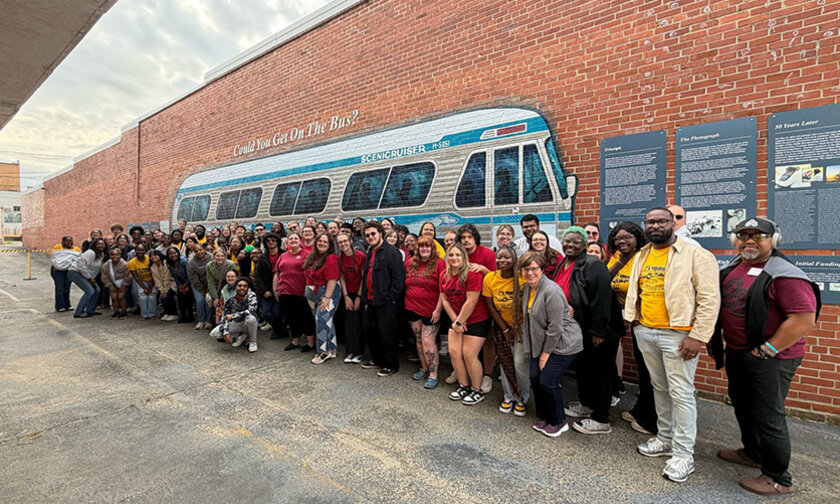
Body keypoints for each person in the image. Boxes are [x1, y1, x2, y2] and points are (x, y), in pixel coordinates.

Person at [710, 217, 820, 496]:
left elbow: (803, 319)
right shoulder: (734, 267)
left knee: (769, 416)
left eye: (758, 236)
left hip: (770, 357)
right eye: (744, 235)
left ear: (775, 240)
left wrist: (767, 349)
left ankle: (778, 478)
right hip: (738, 352)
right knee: (743, 406)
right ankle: (753, 452)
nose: (750, 241)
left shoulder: (785, 274)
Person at [624, 207, 720, 483]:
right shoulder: (643, 254)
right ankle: (664, 438)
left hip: (678, 335)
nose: (655, 226)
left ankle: (683, 454)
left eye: (662, 221)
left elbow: (709, 300)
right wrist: (635, 320)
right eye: (650, 222)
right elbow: (638, 291)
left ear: (674, 224)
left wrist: (699, 336)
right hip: (647, 331)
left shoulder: (695, 254)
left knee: (681, 392)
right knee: (659, 388)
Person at [552, 227, 624, 436]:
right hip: (579, 328)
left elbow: (601, 301)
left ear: (584, 244)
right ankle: (585, 404)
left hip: (600, 330)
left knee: (600, 372)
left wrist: (599, 331)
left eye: (576, 242)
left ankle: (601, 418)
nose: (570, 245)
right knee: (584, 369)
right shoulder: (564, 263)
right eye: (567, 241)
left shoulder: (594, 265)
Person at [520, 250, 583, 438]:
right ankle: (544, 415)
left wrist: (545, 355)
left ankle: (558, 421)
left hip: (563, 343)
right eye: (526, 269)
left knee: (547, 381)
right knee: (534, 377)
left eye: (534, 269)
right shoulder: (527, 288)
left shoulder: (552, 290)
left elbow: (555, 328)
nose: (530, 273)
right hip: (540, 342)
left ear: (542, 270)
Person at [607, 222, 656, 436]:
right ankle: (641, 409)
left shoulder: (645, 257)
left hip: (646, 320)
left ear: (638, 238)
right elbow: (607, 278)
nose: (622, 241)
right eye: (618, 238)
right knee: (642, 368)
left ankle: (652, 419)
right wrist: (620, 261)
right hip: (632, 320)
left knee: (651, 371)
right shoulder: (617, 257)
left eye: (627, 237)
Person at [441, 242, 491, 404]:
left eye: (458, 255)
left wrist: (460, 321)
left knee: (469, 354)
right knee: (454, 352)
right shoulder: (444, 274)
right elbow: (444, 300)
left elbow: (472, 300)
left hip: (476, 318)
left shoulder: (472, 274)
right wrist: (456, 322)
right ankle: (464, 385)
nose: (454, 258)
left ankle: (477, 389)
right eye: (451, 255)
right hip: (457, 319)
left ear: (464, 257)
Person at [483, 245, 529, 416]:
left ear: (515, 259)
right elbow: (491, 307)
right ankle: (508, 396)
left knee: (519, 363)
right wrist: (505, 329)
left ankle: (522, 398)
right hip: (503, 326)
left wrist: (516, 329)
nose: (502, 261)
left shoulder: (523, 278)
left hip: (522, 327)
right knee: (505, 361)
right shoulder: (490, 279)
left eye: (507, 258)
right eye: (499, 257)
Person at [360, 221, 405, 377]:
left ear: (380, 233)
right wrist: (365, 299)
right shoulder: (370, 252)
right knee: (371, 332)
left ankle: (391, 365)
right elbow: (367, 276)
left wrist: (391, 299)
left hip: (386, 303)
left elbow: (399, 279)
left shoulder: (392, 252)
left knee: (388, 334)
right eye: (367, 235)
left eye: (373, 233)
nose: (370, 237)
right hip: (371, 301)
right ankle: (377, 360)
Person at [457, 223, 497, 393]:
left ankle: (487, 375)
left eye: (469, 237)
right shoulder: (458, 255)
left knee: (488, 341)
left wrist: (484, 270)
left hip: (485, 306)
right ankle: (461, 371)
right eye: (463, 238)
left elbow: (498, 278)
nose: (466, 241)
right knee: (462, 342)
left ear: (475, 238)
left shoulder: (487, 254)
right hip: (462, 306)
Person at [404, 236, 446, 388]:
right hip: (412, 308)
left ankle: (433, 375)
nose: (424, 249)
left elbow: (443, 289)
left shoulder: (440, 264)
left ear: (432, 248)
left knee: (428, 341)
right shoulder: (410, 263)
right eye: (421, 247)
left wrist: (438, 310)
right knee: (419, 339)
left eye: (428, 246)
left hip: (431, 310)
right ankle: (424, 368)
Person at [274, 232, 316, 352]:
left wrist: (307, 290)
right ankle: (295, 341)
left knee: (306, 318)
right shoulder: (283, 256)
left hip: (301, 293)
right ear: (287, 242)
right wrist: (276, 289)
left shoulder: (307, 255)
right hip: (285, 292)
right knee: (291, 318)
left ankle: (310, 343)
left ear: (300, 240)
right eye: (290, 238)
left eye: (295, 238)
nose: (293, 240)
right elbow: (277, 273)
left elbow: (311, 274)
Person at [304, 233, 341, 364]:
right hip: (315, 292)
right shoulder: (313, 256)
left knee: (321, 320)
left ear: (330, 245)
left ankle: (323, 352)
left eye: (326, 242)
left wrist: (327, 297)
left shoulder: (331, 258)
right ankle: (332, 348)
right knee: (326, 320)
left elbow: (332, 279)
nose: (322, 243)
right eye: (320, 241)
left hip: (329, 292)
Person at [337, 233, 366, 363]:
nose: (343, 244)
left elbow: (363, 277)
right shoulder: (339, 258)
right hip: (347, 293)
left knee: (358, 323)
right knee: (349, 323)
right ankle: (350, 351)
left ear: (350, 241)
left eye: (345, 241)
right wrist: (346, 296)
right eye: (340, 243)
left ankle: (359, 352)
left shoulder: (361, 256)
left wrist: (359, 296)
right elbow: (341, 277)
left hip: (359, 292)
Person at [211, 277, 259, 353]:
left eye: (245, 286)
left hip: (248, 323)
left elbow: (251, 310)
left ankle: (253, 342)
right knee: (214, 333)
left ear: (248, 288)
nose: (242, 288)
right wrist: (225, 332)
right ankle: (241, 335)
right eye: (239, 286)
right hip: (237, 324)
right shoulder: (231, 300)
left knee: (251, 318)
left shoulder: (251, 295)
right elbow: (225, 318)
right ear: (235, 287)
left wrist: (233, 316)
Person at [68, 238, 107, 318]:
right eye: (98, 244)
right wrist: (89, 279)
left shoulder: (101, 254)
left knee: (97, 291)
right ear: (95, 245)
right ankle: (78, 312)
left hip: (86, 275)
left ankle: (90, 310)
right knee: (89, 291)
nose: (101, 246)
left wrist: (90, 278)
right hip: (76, 272)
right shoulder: (90, 253)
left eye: (102, 244)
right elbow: (82, 266)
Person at [206, 248, 238, 322]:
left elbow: (233, 279)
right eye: (218, 256)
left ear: (225, 257)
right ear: (214, 256)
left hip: (228, 286)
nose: (220, 258)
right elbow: (210, 282)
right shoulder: (209, 266)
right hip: (216, 287)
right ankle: (214, 319)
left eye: (222, 256)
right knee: (210, 299)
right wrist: (215, 297)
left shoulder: (230, 264)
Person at [51, 236, 80, 312]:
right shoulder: (58, 247)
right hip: (57, 270)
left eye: (70, 240)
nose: (69, 242)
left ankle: (67, 305)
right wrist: (57, 265)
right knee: (60, 288)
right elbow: (55, 257)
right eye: (67, 241)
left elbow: (77, 259)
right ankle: (59, 306)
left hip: (68, 270)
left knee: (67, 288)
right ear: (62, 242)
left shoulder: (76, 249)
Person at [128, 243, 157, 320]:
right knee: (143, 297)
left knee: (151, 296)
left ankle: (151, 314)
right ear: (135, 251)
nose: (140, 252)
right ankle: (144, 315)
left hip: (152, 280)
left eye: (142, 250)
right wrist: (144, 288)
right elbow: (136, 277)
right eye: (138, 250)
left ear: (146, 251)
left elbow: (154, 273)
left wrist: (150, 287)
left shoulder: (150, 259)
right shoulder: (131, 262)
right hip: (141, 281)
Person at [187, 245, 213, 330]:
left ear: (204, 249)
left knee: (208, 300)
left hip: (210, 284)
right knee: (200, 301)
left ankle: (208, 321)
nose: (199, 252)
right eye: (196, 251)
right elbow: (192, 277)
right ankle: (201, 320)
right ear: (194, 252)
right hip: (197, 285)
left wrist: (208, 287)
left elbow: (212, 274)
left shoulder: (211, 258)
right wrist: (202, 288)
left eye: (200, 250)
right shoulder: (191, 262)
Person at [166, 246, 193, 323]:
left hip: (189, 282)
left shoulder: (184, 261)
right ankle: (183, 317)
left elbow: (190, 274)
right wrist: (180, 286)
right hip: (180, 283)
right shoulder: (169, 263)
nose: (173, 255)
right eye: (170, 254)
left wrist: (186, 285)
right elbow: (174, 276)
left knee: (188, 299)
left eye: (174, 253)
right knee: (180, 299)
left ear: (178, 253)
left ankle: (190, 317)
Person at [101, 247, 130, 319]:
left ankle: (123, 312)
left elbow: (128, 276)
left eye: (117, 255)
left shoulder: (125, 264)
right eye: (112, 255)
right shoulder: (106, 265)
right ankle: (116, 311)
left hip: (123, 283)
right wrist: (109, 285)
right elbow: (104, 277)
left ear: (120, 255)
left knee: (120, 297)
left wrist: (124, 285)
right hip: (111, 283)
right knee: (114, 297)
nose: (115, 256)